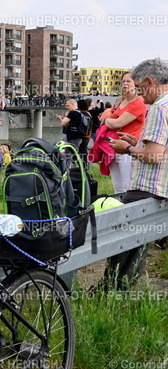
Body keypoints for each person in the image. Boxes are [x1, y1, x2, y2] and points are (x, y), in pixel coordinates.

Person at [105, 58, 168, 290]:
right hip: (163, 187)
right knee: (140, 239)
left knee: (122, 236)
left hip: (149, 186)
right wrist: (137, 140)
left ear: (150, 81)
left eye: (141, 88)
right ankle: (124, 286)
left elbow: (154, 155)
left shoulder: (160, 109)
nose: (141, 96)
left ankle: (113, 288)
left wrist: (128, 148)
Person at [101, 72, 146, 193]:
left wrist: (106, 119)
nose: (125, 84)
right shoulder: (121, 100)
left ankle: (128, 209)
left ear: (135, 84)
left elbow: (117, 124)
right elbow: (113, 121)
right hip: (113, 146)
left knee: (127, 185)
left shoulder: (139, 102)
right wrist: (109, 120)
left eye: (128, 81)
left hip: (127, 148)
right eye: (123, 81)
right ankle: (118, 208)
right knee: (117, 186)